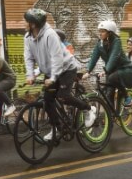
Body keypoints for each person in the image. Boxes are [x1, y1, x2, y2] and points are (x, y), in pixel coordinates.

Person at [23, 8, 96, 141]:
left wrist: (53, 78)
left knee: (63, 96)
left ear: (33, 24)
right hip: (51, 71)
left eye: (26, 21)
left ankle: (88, 109)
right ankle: (57, 127)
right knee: (48, 99)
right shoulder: (28, 37)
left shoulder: (50, 35)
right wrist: (30, 75)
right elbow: (28, 57)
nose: (24, 23)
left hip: (66, 68)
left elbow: (57, 58)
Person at [86, 20, 132, 113]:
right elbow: (94, 57)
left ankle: (128, 98)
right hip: (111, 71)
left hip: (124, 69)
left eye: (103, 31)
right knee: (109, 94)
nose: (100, 34)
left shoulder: (116, 41)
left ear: (109, 33)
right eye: (99, 31)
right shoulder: (100, 44)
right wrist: (88, 71)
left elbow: (114, 56)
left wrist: (105, 70)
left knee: (113, 78)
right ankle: (112, 116)